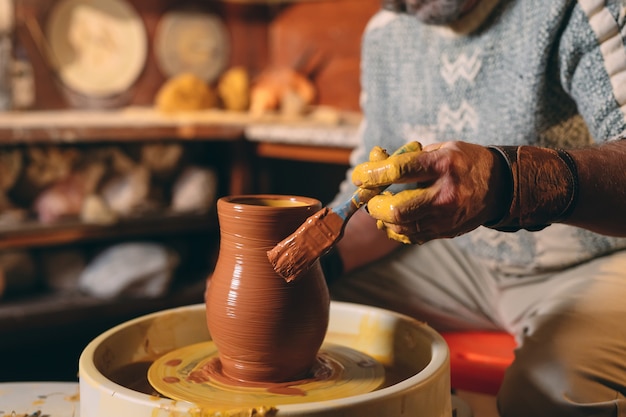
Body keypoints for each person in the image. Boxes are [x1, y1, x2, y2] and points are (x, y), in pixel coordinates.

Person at [324, 1, 626, 416]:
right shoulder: (387, 31)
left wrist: (508, 183)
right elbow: (373, 189)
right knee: (299, 308)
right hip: (464, 261)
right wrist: (314, 258)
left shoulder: (577, 8)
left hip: (596, 258)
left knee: (549, 395)